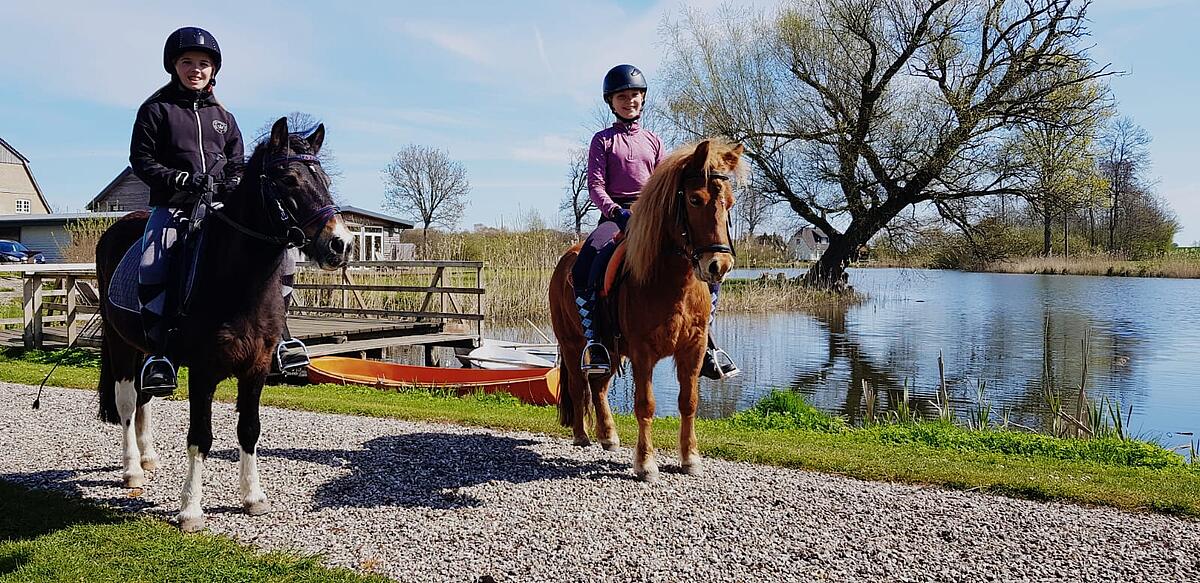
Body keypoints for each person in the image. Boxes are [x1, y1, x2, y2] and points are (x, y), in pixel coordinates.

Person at [573, 64, 739, 380]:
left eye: (634, 95)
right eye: (622, 96)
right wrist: (617, 213)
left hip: (652, 216)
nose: (629, 101)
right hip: (616, 215)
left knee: (706, 265)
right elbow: (595, 186)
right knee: (587, 262)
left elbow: (666, 183)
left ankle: (706, 343)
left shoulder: (654, 141)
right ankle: (595, 342)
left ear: (642, 99)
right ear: (611, 101)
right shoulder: (602, 141)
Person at [129, 26, 245, 395]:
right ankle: (159, 352)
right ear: (174, 66)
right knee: (152, 263)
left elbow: (237, 164)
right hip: (173, 208)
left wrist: (229, 184)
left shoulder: (224, 117)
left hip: (219, 209)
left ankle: (280, 342)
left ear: (214, 70)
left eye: (204, 63)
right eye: (188, 62)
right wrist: (180, 180)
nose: (196, 69)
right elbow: (141, 161)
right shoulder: (155, 110)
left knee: (267, 257)